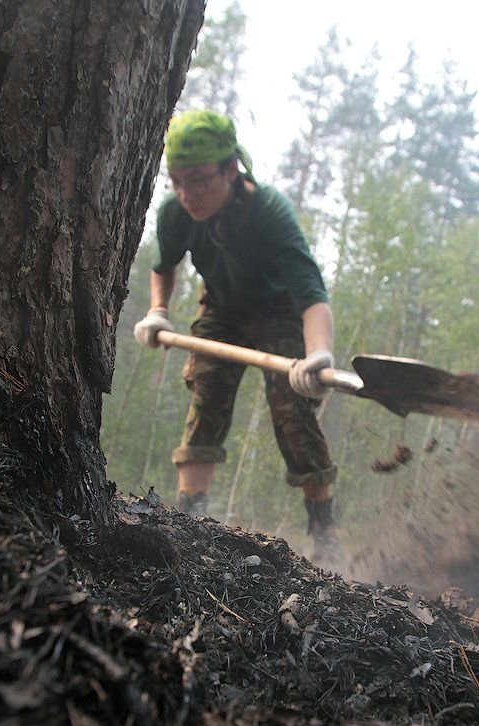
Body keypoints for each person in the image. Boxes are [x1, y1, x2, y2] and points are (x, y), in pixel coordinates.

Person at [134, 109, 341, 562]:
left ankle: (325, 533)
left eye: (200, 181)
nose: (187, 194)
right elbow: (164, 266)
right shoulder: (176, 212)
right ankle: (189, 523)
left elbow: (311, 295)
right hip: (222, 309)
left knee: (293, 411)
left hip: (280, 311)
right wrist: (158, 312)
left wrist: (318, 356)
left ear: (231, 169)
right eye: (177, 182)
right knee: (206, 394)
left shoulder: (269, 212)